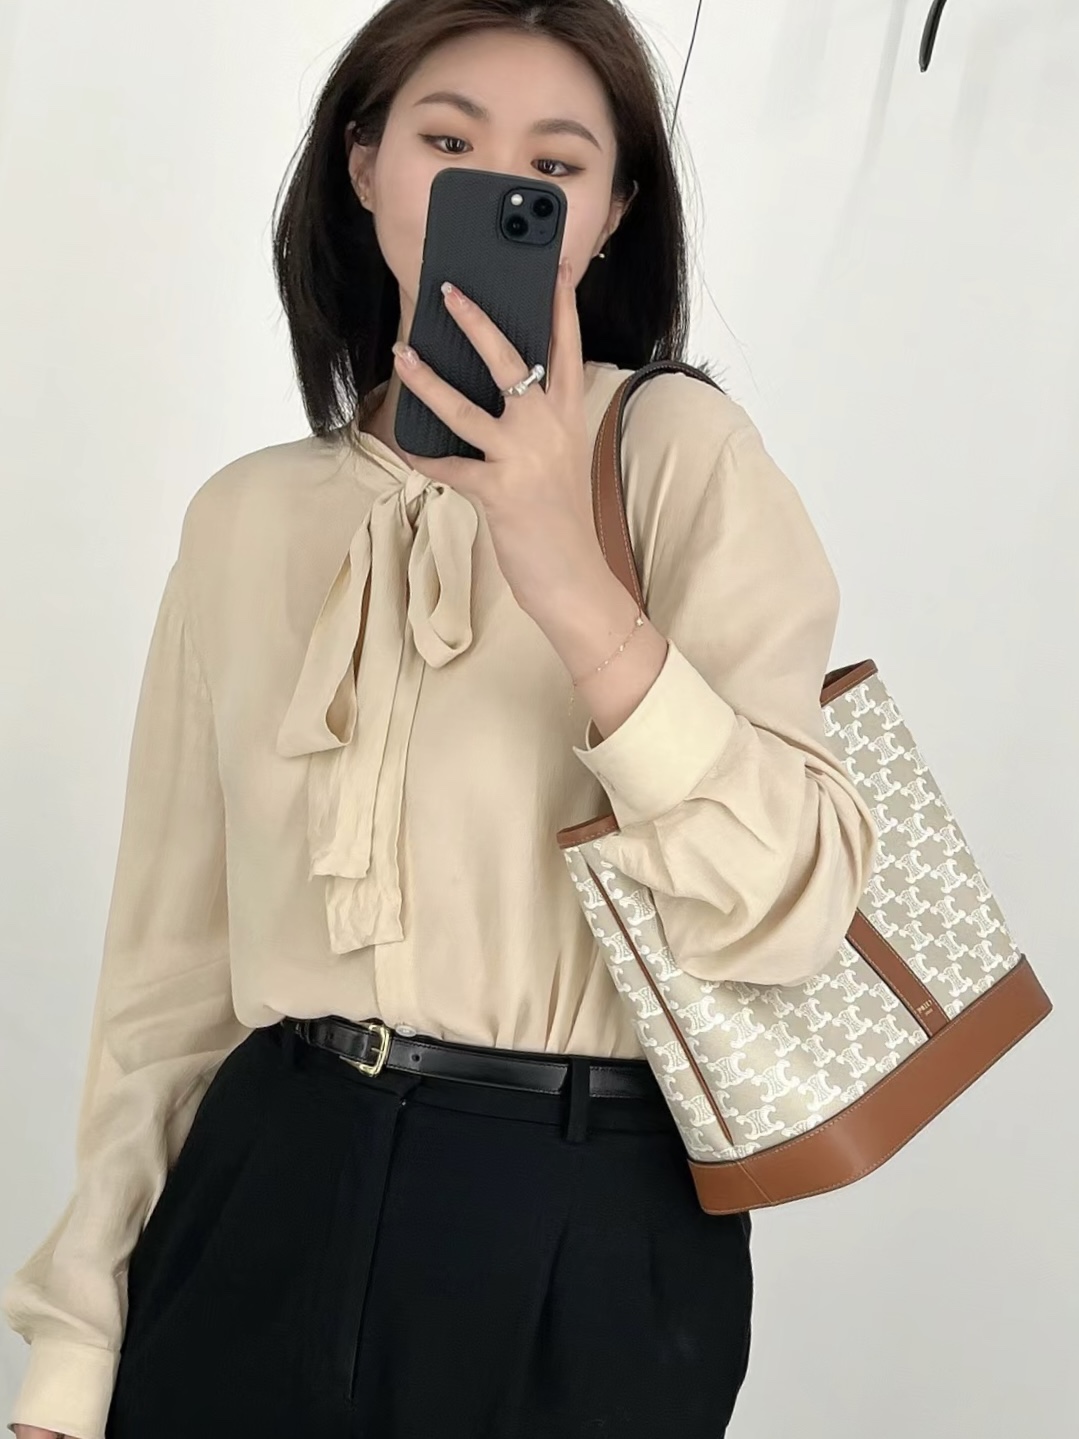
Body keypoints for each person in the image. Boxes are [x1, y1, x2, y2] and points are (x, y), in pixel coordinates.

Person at [4, 1, 879, 1436]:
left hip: (583, 1223)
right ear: (365, 167)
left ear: (607, 216)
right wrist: (76, 1344)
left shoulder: (680, 459)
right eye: (449, 142)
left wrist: (565, 571)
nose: (498, 184)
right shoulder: (245, 519)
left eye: (556, 164)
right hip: (262, 1192)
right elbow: (167, 975)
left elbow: (793, 910)